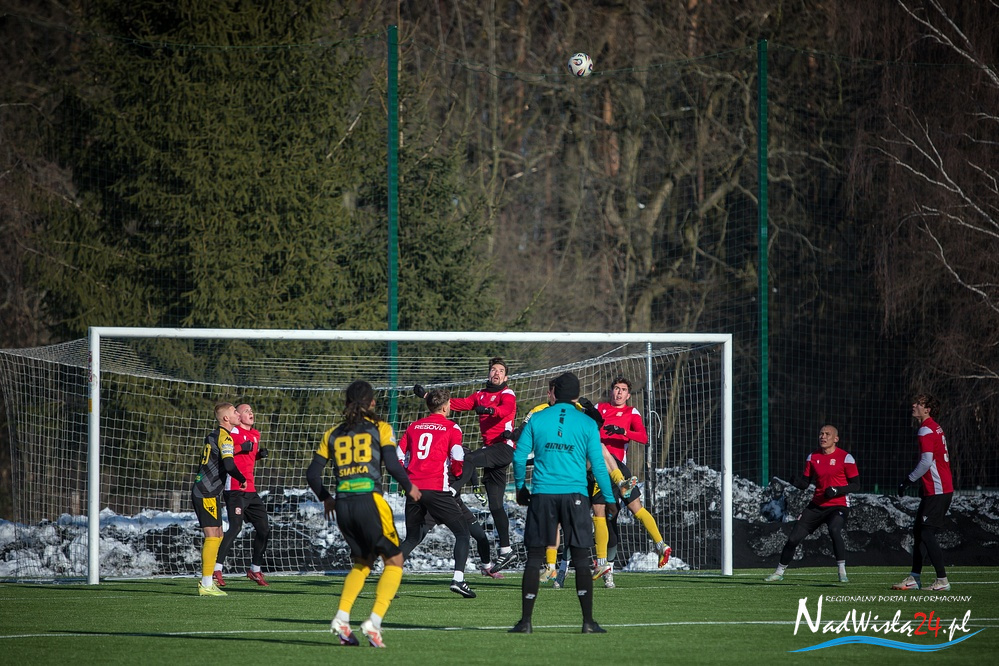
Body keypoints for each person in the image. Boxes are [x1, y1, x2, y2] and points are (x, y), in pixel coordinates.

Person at [306, 380, 421, 648]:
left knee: (363, 563)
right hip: (370, 501)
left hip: (343, 506)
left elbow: (312, 474)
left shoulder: (332, 433)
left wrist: (326, 498)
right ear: (372, 403)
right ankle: (374, 622)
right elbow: (392, 464)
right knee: (395, 561)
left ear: (347, 403)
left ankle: (342, 618)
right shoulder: (380, 428)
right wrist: (409, 486)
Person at [509, 372, 616, 635]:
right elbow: (598, 465)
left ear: (554, 392)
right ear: (577, 395)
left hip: (543, 495)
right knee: (581, 557)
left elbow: (519, 456)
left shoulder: (537, 418)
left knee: (535, 557)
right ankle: (588, 622)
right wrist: (609, 498)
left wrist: (521, 487)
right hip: (576, 496)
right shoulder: (587, 423)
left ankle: (525, 622)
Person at [415, 356, 518, 574]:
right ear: (488, 373)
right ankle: (507, 550)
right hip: (491, 453)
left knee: (468, 457)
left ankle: (452, 490)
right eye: (493, 370)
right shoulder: (479, 395)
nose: (496, 373)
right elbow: (455, 404)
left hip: (503, 448)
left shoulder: (507, 394)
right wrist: (426, 396)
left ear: (506, 377)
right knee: (495, 505)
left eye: (500, 371)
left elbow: (505, 409)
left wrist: (490, 411)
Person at [397, 388, 476, 598]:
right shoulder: (451, 427)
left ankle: (389, 578)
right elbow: (457, 456)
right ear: (445, 406)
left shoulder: (413, 426)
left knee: (412, 538)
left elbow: (398, 456)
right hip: (436, 488)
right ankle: (458, 580)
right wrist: (457, 473)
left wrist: (406, 478)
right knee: (462, 533)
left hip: (413, 488)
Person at [592, 377, 671, 583]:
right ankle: (660, 545)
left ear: (628, 395)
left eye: (623, 390)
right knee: (613, 517)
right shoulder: (599, 408)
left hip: (615, 468)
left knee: (605, 514)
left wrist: (623, 432)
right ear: (611, 391)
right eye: (616, 389)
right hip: (600, 468)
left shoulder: (631, 412)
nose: (619, 393)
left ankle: (603, 564)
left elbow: (644, 438)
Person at [764, 425, 859, 583]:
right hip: (817, 505)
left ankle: (842, 572)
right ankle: (779, 573)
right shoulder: (813, 457)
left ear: (836, 439)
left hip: (838, 505)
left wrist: (837, 490)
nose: (823, 437)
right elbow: (805, 484)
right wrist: (795, 481)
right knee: (793, 539)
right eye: (821, 433)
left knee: (834, 530)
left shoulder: (846, 458)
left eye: (827, 434)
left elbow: (856, 485)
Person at [892, 394, 954, 592]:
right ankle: (914, 578)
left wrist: (908, 480)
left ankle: (942, 580)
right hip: (937, 488)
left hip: (938, 489)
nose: (914, 405)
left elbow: (927, 461)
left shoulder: (926, 429)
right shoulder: (934, 427)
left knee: (926, 532)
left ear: (927, 409)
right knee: (920, 531)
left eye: (919, 404)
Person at [191, 402, 246, 596]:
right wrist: (242, 479)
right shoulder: (225, 437)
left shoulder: (215, 435)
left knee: (218, 535)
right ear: (226, 418)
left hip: (209, 491)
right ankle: (206, 584)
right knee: (213, 536)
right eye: (234, 412)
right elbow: (229, 465)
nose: (238, 414)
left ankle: (209, 581)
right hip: (205, 491)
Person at [214, 403, 271, 587]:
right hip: (235, 488)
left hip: (251, 490)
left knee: (264, 529)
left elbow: (248, 456)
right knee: (235, 528)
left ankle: (255, 569)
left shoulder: (255, 434)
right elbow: (226, 453)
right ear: (237, 415)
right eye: (246, 411)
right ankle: (216, 569)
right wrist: (241, 447)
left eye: (251, 410)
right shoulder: (233, 432)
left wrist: (259, 455)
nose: (250, 413)